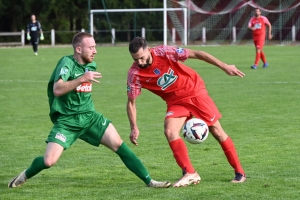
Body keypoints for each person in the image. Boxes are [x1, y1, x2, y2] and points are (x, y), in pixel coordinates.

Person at [8, 32, 170, 189]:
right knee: (49, 161)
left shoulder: (91, 65)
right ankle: (24, 175)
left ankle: (150, 181)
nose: (95, 51)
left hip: (90, 117)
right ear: (79, 49)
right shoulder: (67, 63)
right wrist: (81, 79)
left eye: (95, 47)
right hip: (67, 121)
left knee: (119, 145)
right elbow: (57, 89)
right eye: (91, 47)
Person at [126, 37, 246, 188]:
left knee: (217, 131)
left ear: (148, 49)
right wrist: (134, 127)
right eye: (136, 60)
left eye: (142, 58)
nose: (140, 63)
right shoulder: (134, 74)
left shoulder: (164, 52)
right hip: (175, 102)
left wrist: (224, 66)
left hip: (194, 91)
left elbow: (197, 53)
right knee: (169, 131)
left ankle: (240, 173)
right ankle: (190, 173)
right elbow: (131, 102)